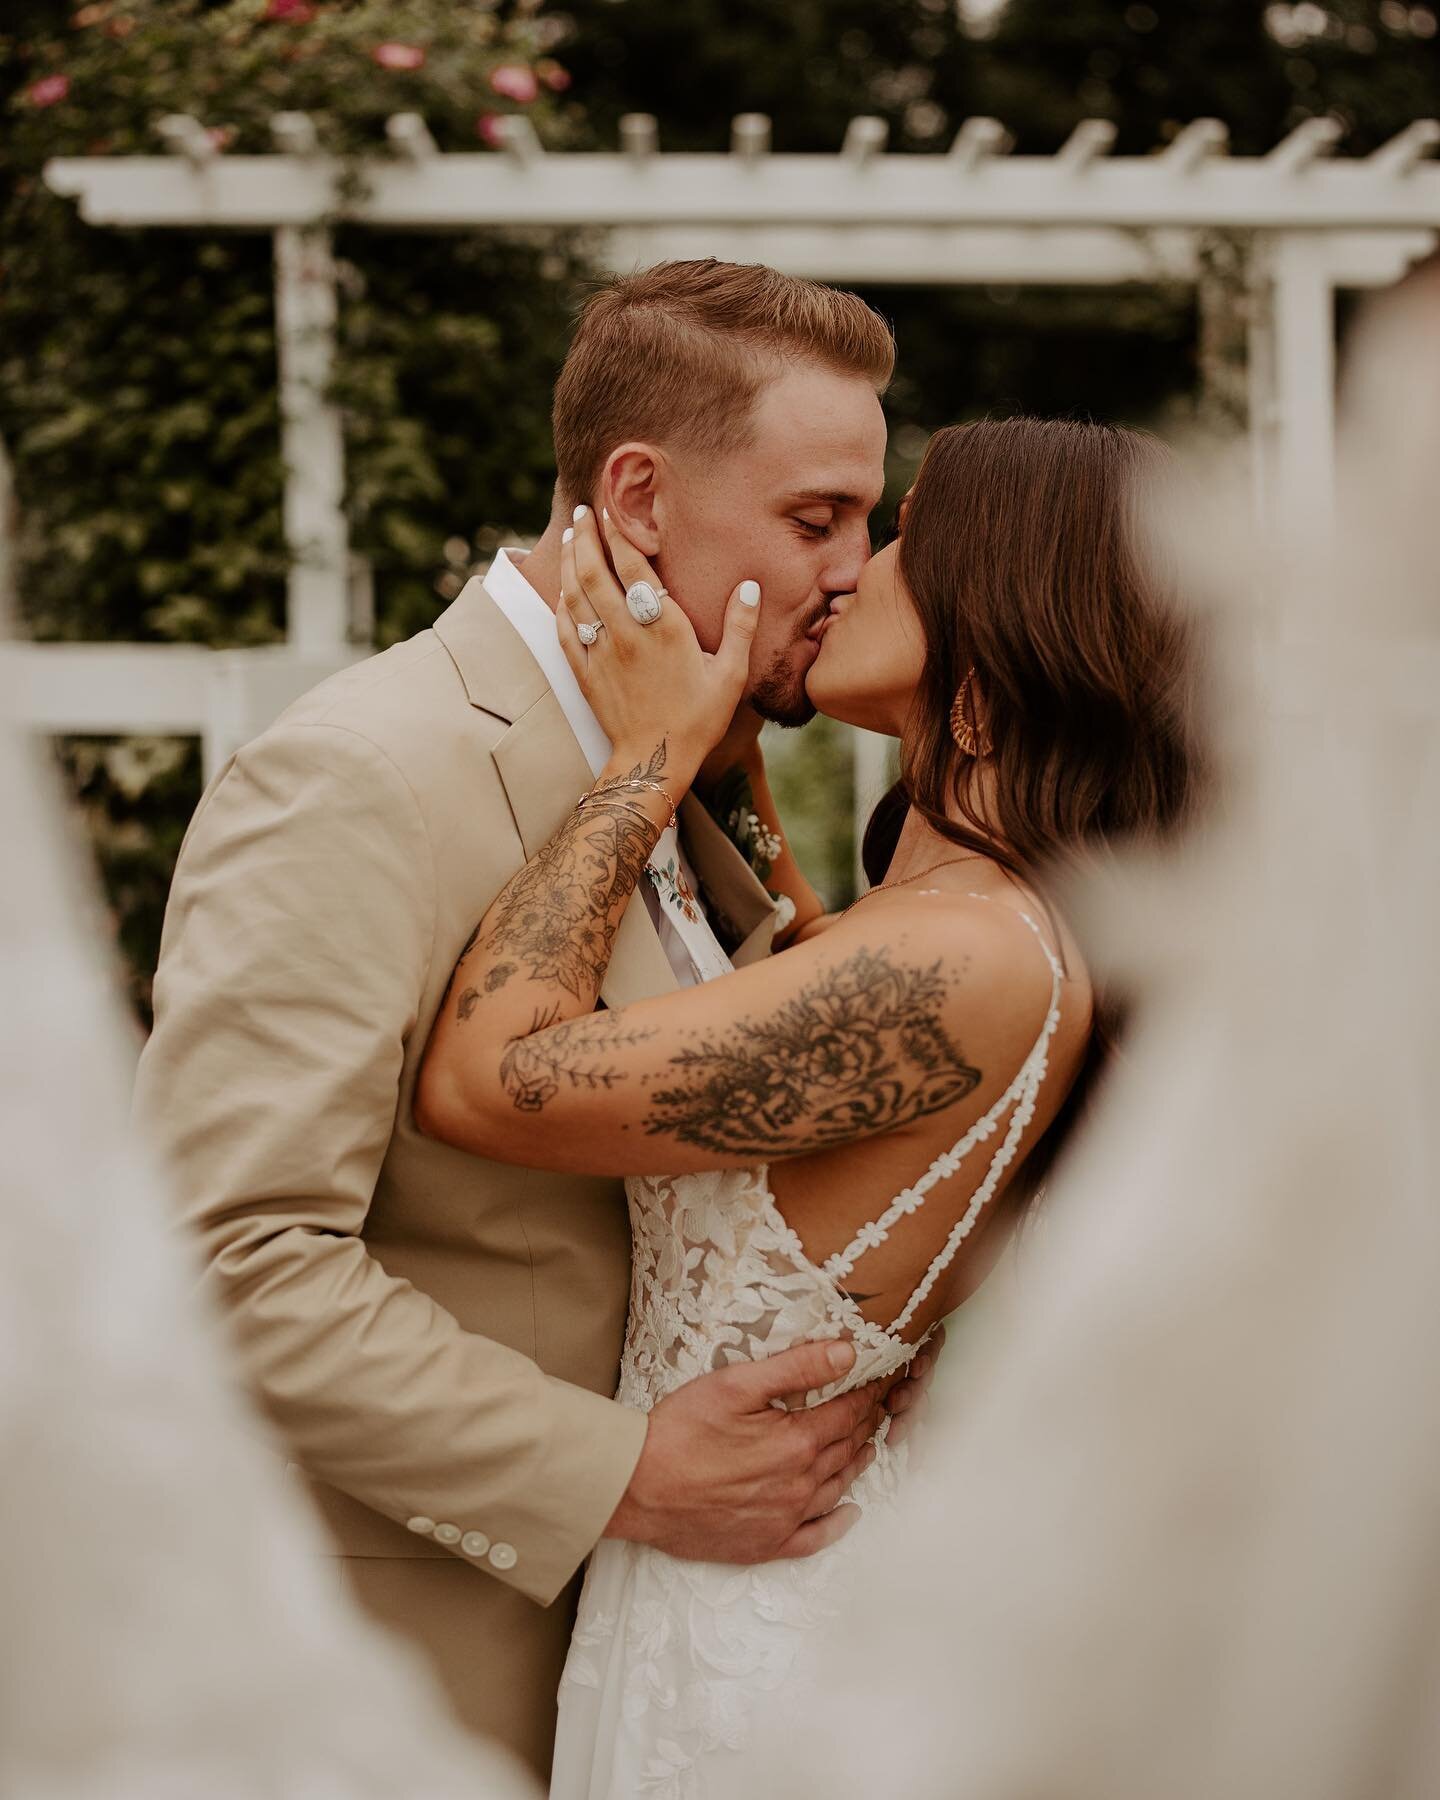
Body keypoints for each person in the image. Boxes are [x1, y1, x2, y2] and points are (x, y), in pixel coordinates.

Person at [131, 259, 937, 1783]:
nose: (854, 569)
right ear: (638, 500)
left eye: (867, 521)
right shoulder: (363, 774)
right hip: (422, 1678)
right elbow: (221, 1263)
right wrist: (623, 1475)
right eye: (816, 519)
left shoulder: (689, 762)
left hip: (669, 1671)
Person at [414, 416, 1202, 1798]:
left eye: (899, 539)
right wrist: (740, 767)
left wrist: (654, 755)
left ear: (993, 624)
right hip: (728, 1589)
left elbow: (491, 1077)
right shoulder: (983, 922)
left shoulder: (964, 959)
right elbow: (805, 976)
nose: (850, 572)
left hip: (759, 1662)